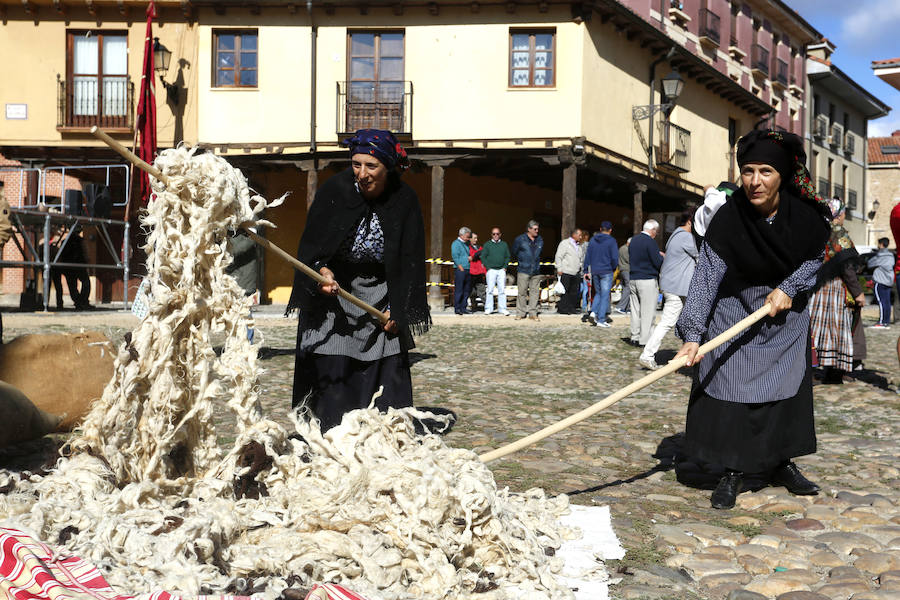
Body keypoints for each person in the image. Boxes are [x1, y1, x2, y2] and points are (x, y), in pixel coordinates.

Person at [674, 129, 832, 510]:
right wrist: (693, 333)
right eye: (747, 171)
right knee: (732, 390)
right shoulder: (728, 219)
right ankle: (733, 470)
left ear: (781, 176)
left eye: (765, 171)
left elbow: (815, 258)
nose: (755, 181)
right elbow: (707, 275)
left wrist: (789, 287)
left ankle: (780, 463)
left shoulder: (806, 218)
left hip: (784, 321)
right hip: (735, 313)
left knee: (782, 395)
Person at [287, 129, 431, 431]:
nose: (362, 174)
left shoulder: (404, 201)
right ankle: (329, 438)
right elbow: (312, 249)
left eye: (371, 166)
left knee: (384, 386)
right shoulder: (334, 191)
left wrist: (399, 310)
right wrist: (321, 273)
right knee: (332, 377)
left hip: (382, 293)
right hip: (334, 298)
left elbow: (409, 263)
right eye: (356, 164)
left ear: (388, 167)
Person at [809, 198, 865, 383]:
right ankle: (834, 373)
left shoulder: (817, 228)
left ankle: (814, 370)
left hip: (818, 289)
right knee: (836, 331)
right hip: (835, 289)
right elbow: (846, 266)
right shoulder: (838, 232)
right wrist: (858, 292)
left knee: (817, 330)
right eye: (843, 214)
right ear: (839, 214)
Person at [639, 211, 697, 370]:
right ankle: (647, 354)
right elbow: (701, 255)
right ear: (690, 222)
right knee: (667, 322)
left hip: (674, 286)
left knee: (688, 321)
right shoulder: (685, 237)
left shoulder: (675, 235)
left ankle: (689, 351)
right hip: (677, 287)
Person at [628, 220, 663, 346]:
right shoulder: (650, 242)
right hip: (647, 278)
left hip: (633, 278)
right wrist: (662, 257)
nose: (656, 234)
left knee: (635, 310)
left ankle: (634, 336)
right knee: (648, 312)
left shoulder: (633, 240)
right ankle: (645, 340)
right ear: (652, 230)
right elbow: (657, 262)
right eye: (656, 232)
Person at [582, 222, 618, 327]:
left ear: (600, 229)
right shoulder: (612, 241)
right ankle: (601, 319)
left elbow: (588, 256)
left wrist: (585, 270)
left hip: (595, 270)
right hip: (607, 270)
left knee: (598, 293)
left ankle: (593, 312)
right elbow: (615, 257)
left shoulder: (593, 240)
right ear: (610, 230)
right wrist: (613, 268)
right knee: (605, 295)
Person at [511, 220, 544, 320]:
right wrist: (522, 260)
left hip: (536, 270)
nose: (537, 231)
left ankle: (533, 313)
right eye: (535, 229)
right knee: (522, 292)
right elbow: (514, 252)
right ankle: (521, 313)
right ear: (529, 229)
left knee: (535, 292)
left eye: (537, 229)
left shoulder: (540, 240)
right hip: (523, 269)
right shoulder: (520, 239)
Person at [554, 227, 585, 314]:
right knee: (565, 292)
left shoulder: (578, 246)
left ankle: (571, 308)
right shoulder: (565, 243)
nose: (581, 237)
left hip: (576, 272)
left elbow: (580, 258)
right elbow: (559, 256)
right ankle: (563, 309)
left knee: (574, 292)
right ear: (574, 235)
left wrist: (580, 267)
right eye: (579, 235)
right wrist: (559, 268)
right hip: (566, 271)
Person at [481, 226, 511, 315]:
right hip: (491, 270)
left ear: (500, 234)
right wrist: (488, 267)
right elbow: (483, 256)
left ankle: (502, 308)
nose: (496, 235)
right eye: (494, 234)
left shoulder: (504, 244)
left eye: (497, 234)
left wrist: (505, 266)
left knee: (502, 290)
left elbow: (507, 256)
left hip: (501, 270)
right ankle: (489, 308)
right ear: (491, 235)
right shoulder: (487, 244)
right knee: (490, 290)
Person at [868, 237, 894, 329]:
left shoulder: (880, 256)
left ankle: (882, 322)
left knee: (881, 302)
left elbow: (870, 263)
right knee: (887, 302)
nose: (877, 246)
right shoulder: (891, 256)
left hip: (880, 281)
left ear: (881, 244)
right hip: (888, 282)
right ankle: (886, 321)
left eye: (878, 244)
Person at [451, 227, 472, 315]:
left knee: (466, 290)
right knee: (459, 289)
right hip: (461, 269)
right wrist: (460, 267)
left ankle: (463, 307)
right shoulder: (456, 244)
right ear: (461, 235)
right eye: (467, 236)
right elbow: (455, 256)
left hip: (468, 269)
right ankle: (457, 308)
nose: (468, 238)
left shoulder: (466, 244)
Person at [468, 232, 487, 312]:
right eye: (474, 238)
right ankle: (473, 306)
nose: (476, 240)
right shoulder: (468, 248)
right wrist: (477, 255)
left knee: (482, 290)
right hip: (471, 271)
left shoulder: (480, 248)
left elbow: (483, 255)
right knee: (472, 292)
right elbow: (471, 257)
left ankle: (488, 306)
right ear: (470, 239)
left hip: (480, 272)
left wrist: (476, 255)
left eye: (476, 238)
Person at [614, 237, 631, 315]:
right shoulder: (625, 249)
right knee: (628, 287)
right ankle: (621, 306)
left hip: (622, 270)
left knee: (625, 287)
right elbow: (629, 259)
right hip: (626, 269)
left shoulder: (622, 248)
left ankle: (627, 308)